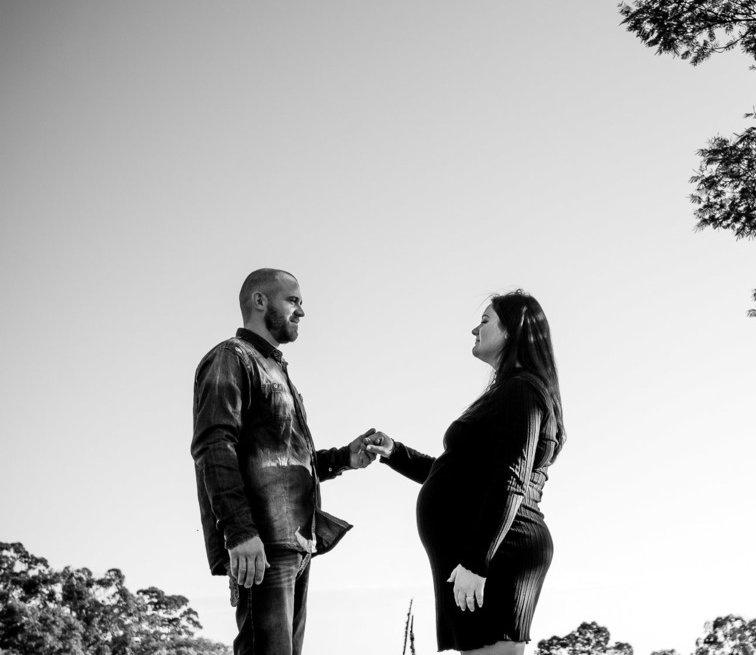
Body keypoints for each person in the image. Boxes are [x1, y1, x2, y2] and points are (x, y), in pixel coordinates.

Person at [367, 290, 566, 655]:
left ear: (513, 330)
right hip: (482, 550)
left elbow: (511, 477)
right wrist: (394, 453)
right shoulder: (510, 391)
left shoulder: (521, 391)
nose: (475, 329)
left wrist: (477, 562)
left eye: (485, 320)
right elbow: (457, 475)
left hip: (496, 551)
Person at [191, 268, 378, 655]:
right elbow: (214, 446)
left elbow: (287, 457)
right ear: (260, 301)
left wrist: (347, 457)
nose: (302, 312)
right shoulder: (231, 358)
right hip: (262, 541)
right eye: (293, 301)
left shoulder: (279, 370)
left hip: (296, 539)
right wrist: (240, 533)